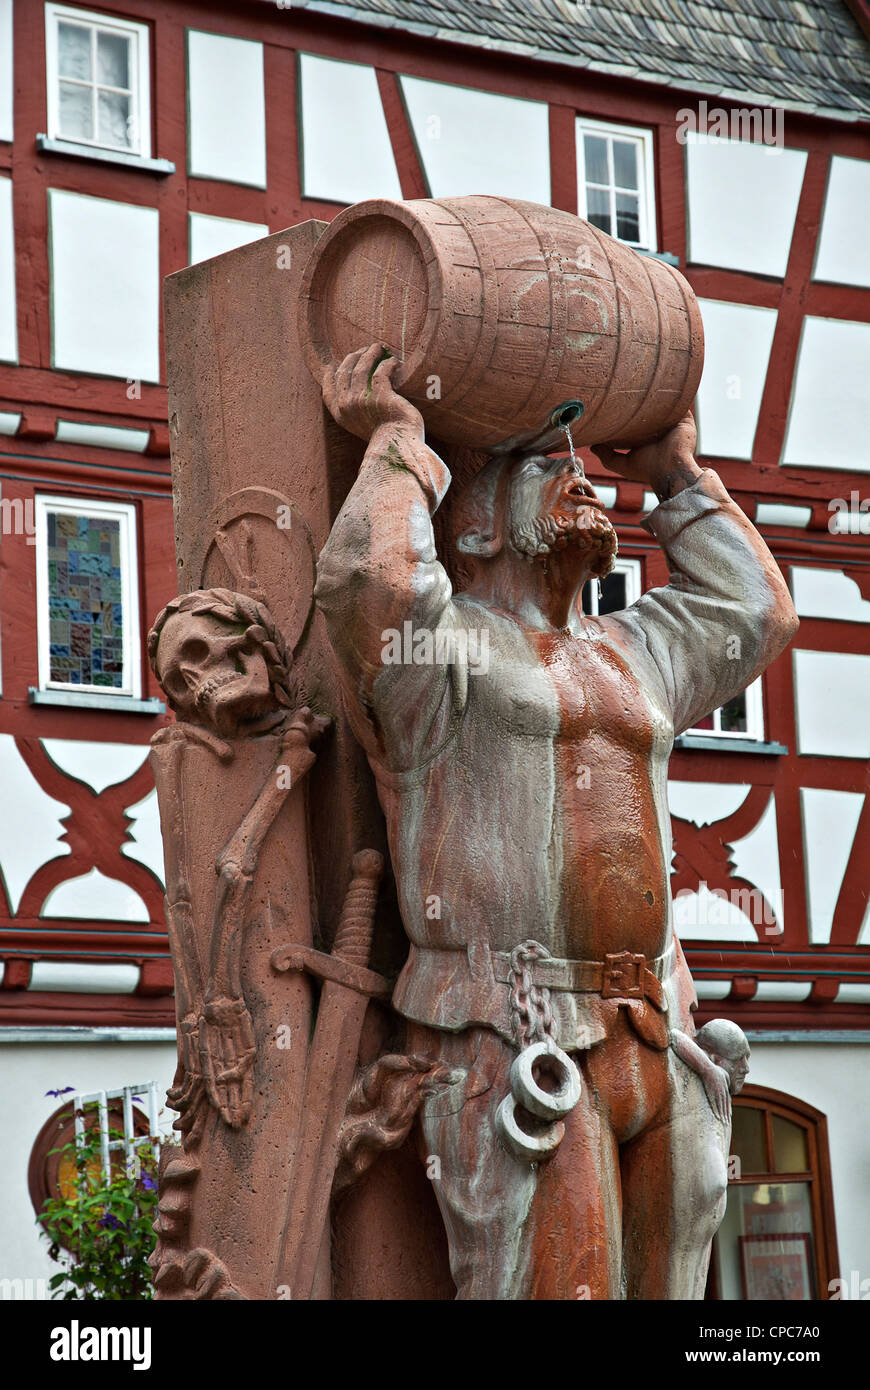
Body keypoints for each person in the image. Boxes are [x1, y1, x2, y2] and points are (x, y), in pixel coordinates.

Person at [315, 343, 798, 1299]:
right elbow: (372, 583)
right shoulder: (440, 652)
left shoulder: (636, 649)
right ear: (480, 529)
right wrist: (402, 443)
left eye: (582, 465)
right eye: (549, 468)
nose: (584, 479)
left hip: (656, 1024)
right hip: (511, 1026)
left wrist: (674, 473)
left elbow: (756, 614)